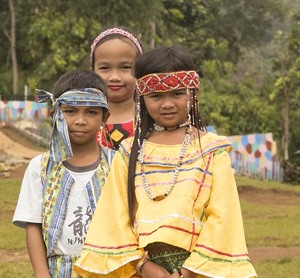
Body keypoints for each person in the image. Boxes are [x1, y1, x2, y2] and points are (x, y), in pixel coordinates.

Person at [74, 46, 257, 277]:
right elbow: (114, 214)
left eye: (177, 93)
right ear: (142, 98)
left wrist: (190, 271)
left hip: (199, 269)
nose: (167, 103)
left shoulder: (212, 150)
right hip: (141, 269)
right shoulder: (130, 151)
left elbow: (223, 216)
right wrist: (144, 266)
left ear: (193, 94)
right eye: (156, 96)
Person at [13, 70, 115, 277]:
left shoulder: (117, 163)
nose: (80, 120)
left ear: (105, 117)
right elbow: (33, 225)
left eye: (91, 112)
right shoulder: (40, 168)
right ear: (55, 114)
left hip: (110, 269)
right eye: (70, 111)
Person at [90, 27, 143, 150]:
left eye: (125, 67)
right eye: (104, 68)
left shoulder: (150, 120)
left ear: (140, 71)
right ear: (92, 72)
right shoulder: (83, 121)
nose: (114, 77)